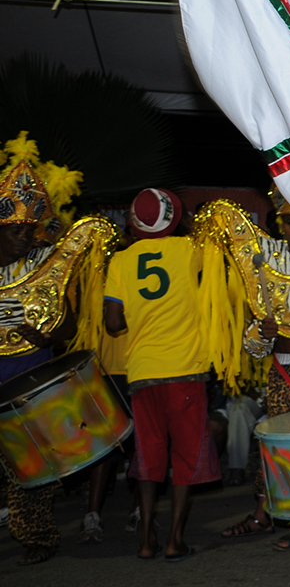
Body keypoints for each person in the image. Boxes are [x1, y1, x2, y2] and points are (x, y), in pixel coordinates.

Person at [0, 134, 116, 565]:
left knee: (30, 468)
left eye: (29, 230)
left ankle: (38, 536)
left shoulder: (42, 266)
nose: (24, 238)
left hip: (29, 377)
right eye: (14, 231)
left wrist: (48, 337)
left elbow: (67, 325)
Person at [207, 192, 290, 554]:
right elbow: (254, 349)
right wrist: (261, 333)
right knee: (280, 452)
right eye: (287, 221)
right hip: (282, 377)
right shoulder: (268, 262)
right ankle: (269, 515)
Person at [104, 188, 220, 561]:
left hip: (142, 372)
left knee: (148, 455)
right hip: (186, 369)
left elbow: (113, 323)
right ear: (173, 218)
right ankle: (174, 540)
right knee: (185, 457)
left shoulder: (120, 262)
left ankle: (145, 541)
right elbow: (218, 269)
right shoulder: (189, 251)